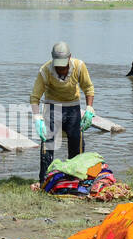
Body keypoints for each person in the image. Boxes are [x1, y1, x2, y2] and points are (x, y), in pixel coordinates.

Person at [31, 42, 95, 182]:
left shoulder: (79, 66)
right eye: (58, 67)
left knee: (76, 145)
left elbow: (88, 88)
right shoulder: (45, 70)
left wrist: (89, 109)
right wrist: (37, 118)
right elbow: (35, 97)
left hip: (73, 107)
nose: (61, 71)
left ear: (69, 58)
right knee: (48, 144)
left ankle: (76, 179)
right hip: (52, 107)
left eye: (63, 67)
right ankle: (45, 180)